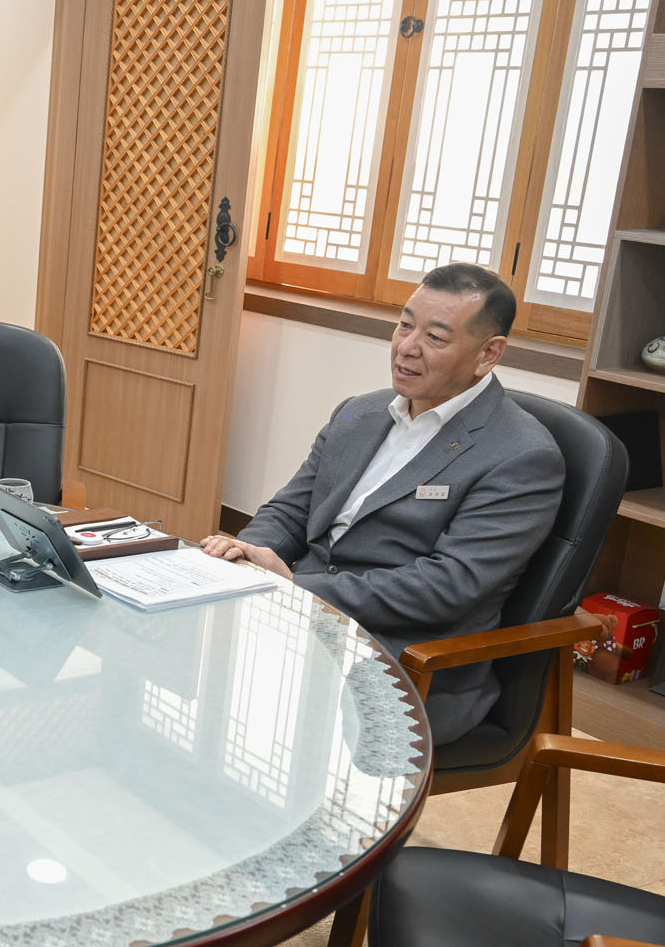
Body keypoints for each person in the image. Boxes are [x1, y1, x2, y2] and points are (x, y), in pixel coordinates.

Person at [201, 262, 564, 745]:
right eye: (404, 325)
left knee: (253, 714)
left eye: (435, 337)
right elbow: (290, 510)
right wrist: (247, 556)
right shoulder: (360, 412)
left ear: (488, 353)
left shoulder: (522, 455)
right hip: (300, 621)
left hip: (405, 659)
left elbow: (447, 586)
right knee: (182, 653)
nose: (407, 347)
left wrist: (295, 588)